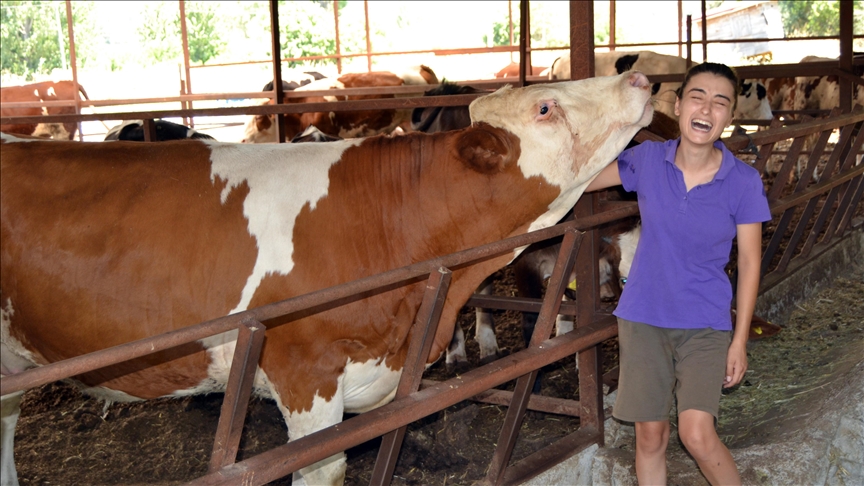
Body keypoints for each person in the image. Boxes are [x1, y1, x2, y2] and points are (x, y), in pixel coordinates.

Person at [586, 62, 771, 485]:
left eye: (720, 101)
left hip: (704, 322)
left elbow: (750, 262)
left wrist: (739, 339)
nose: (707, 108)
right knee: (650, 436)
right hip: (644, 316)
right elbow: (583, 179)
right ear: (678, 104)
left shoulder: (743, 181)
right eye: (697, 97)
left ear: (730, 115)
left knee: (696, 434)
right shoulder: (648, 159)